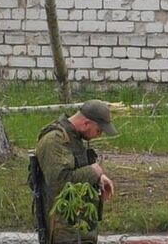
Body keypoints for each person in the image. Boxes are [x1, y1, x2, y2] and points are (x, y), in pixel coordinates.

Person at [31, 101, 117, 244]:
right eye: (98, 130)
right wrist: (93, 171)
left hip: (79, 229)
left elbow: (76, 168)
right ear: (86, 123)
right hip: (63, 232)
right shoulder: (54, 141)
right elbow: (59, 182)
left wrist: (99, 177)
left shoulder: (74, 139)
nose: (99, 135)